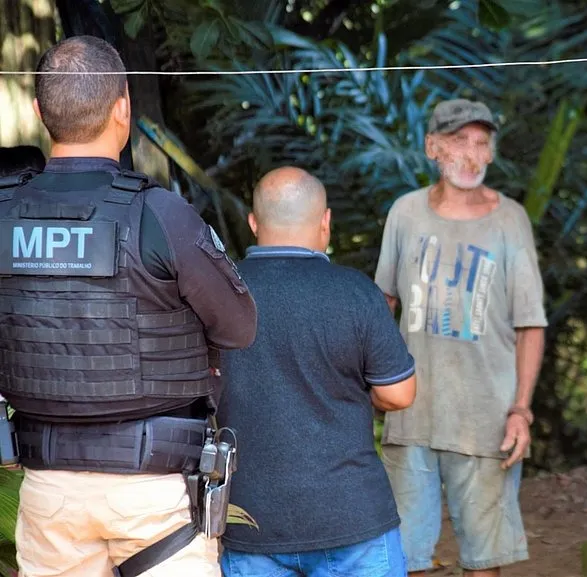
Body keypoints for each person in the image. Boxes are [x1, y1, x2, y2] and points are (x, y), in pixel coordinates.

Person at [0, 35, 258, 577]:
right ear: (123, 107)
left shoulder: (4, 218)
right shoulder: (161, 215)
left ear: (40, 111)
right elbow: (239, 327)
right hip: (153, 496)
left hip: (49, 492)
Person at [374, 98, 548, 576]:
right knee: (405, 560)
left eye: (480, 143)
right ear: (433, 147)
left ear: (491, 153)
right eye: (457, 141)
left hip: (487, 420)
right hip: (411, 414)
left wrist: (520, 410)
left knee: (484, 561)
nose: (470, 154)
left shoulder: (510, 219)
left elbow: (530, 323)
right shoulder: (405, 213)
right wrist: (370, 384)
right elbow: (381, 304)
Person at [216, 166, 417, 577]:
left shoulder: (220, 292)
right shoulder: (355, 291)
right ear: (326, 222)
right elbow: (399, 394)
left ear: (254, 223)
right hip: (352, 519)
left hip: (250, 521)